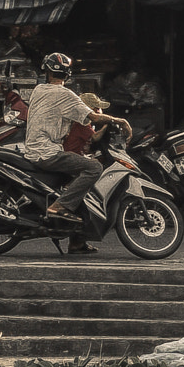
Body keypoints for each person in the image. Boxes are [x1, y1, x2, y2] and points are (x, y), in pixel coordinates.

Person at [24, 52, 126, 251]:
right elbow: (94, 119)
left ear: (46, 72)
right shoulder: (65, 95)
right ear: (67, 75)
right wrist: (121, 120)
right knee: (94, 168)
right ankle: (59, 207)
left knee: (77, 186)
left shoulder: (38, 90)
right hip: (48, 152)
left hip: (36, 149)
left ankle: (77, 241)